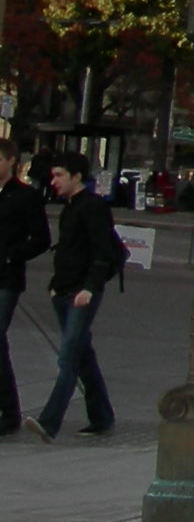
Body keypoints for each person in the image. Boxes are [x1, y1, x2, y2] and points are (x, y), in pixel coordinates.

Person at [28, 152, 117, 441]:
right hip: (65, 290)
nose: (54, 182)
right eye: (53, 176)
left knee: (68, 358)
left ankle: (49, 422)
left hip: (81, 292)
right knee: (82, 357)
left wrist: (89, 287)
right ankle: (102, 416)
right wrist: (55, 286)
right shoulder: (70, 208)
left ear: (76, 177)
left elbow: (101, 251)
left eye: (59, 176)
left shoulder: (92, 207)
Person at [0, 139, 51, 439]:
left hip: (6, 279)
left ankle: (10, 412)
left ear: (11, 161)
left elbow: (41, 238)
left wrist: (12, 255)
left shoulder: (25, 196)